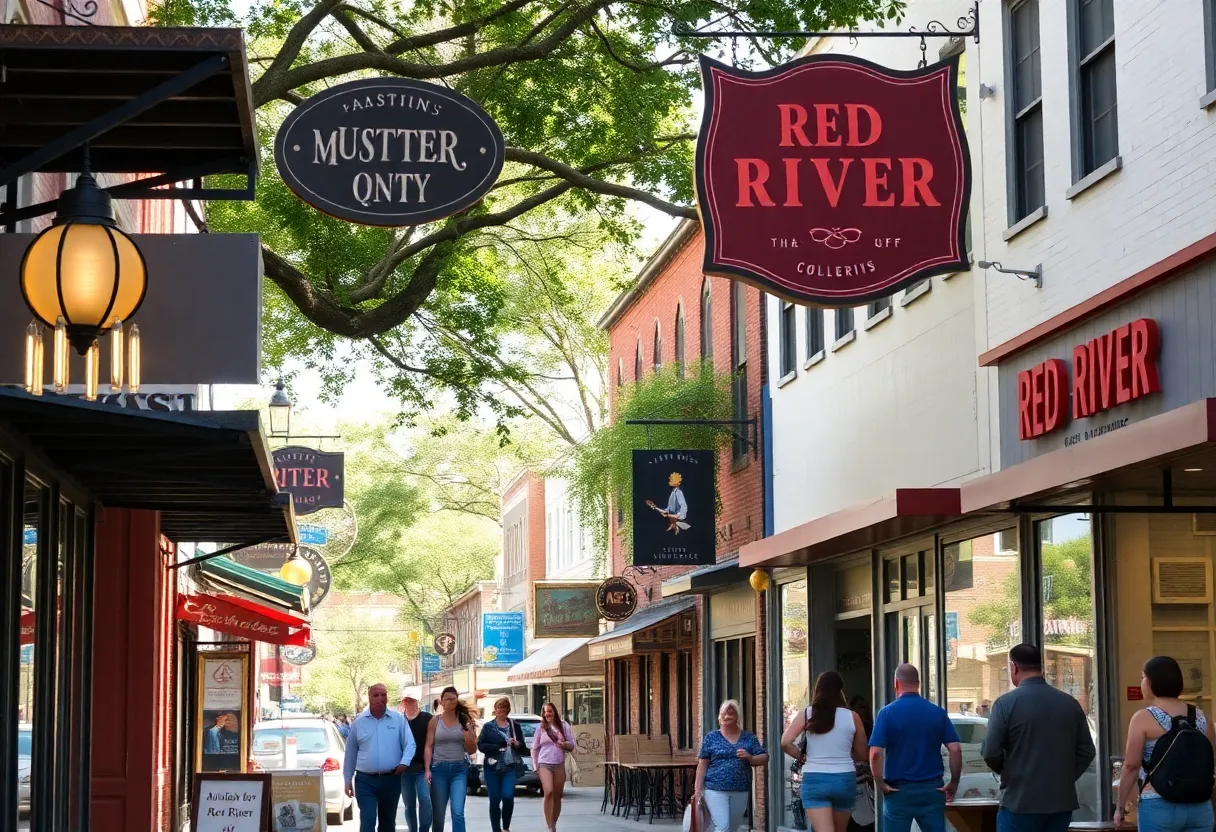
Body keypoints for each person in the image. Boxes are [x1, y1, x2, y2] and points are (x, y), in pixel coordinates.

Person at [980, 643, 1097, 832]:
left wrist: (1011, 773)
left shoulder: (1005, 704)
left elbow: (990, 752)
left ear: (1014, 667)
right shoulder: (1070, 703)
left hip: (1020, 802)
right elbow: (1087, 751)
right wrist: (1064, 776)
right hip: (1060, 802)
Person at [1115, 656, 1216, 832]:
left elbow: (1131, 766)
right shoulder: (1202, 718)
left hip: (1158, 806)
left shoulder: (1143, 718)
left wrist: (1120, 807)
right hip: (1200, 807)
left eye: (1143, 677)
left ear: (1151, 682)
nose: (1141, 683)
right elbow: (1210, 763)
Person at [868, 664, 962, 832]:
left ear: (896, 683)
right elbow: (955, 749)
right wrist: (954, 782)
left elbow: (875, 753)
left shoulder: (887, 713)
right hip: (932, 789)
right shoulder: (937, 712)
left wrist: (880, 783)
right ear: (918, 684)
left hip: (898, 790)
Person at [780, 672, 868, 832]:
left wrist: (801, 756)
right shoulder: (853, 717)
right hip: (844, 779)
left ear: (817, 689)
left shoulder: (807, 714)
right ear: (841, 691)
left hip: (815, 779)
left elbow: (786, 742)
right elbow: (862, 754)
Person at [342, 683, 416, 832]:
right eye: (376, 695)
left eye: (383, 695)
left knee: (387, 823)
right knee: (368, 820)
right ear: (369, 697)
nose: (380, 698)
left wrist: (404, 762)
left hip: (391, 779)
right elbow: (350, 752)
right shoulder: (359, 722)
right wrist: (347, 780)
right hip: (365, 780)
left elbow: (410, 744)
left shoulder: (398, 719)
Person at [695, 699, 768, 832]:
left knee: (732, 828)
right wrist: (698, 791)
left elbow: (764, 757)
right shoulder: (711, 738)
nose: (726, 716)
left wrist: (750, 757)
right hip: (715, 789)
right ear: (719, 717)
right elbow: (702, 766)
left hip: (740, 789)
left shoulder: (748, 737)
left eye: (731, 714)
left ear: (737, 717)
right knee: (723, 827)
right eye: (723, 714)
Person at [425, 686, 477, 832]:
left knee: (458, 811)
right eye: (447, 699)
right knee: (438, 814)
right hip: (439, 770)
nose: (450, 702)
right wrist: (427, 769)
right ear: (441, 701)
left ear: (457, 700)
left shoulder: (464, 720)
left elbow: (472, 750)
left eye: (453, 699)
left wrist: (468, 737)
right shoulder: (435, 721)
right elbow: (428, 746)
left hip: (459, 770)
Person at [478, 696, 527, 832]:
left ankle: (505, 827)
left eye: (504, 709)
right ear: (495, 710)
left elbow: (523, 747)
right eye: (499, 708)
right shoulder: (488, 727)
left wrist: (517, 744)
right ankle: (496, 829)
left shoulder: (514, 726)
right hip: (492, 767)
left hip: (509, 767)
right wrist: (498, 746)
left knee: (508, 796)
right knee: (494, 799)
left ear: (507, 710)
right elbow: (481, 745)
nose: (501, 711)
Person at [532, 702, 576, 832]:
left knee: (557, 795)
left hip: (559, 763)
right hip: (544, 763)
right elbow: (534, 748)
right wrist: (535, 766)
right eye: (545, 712)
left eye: (550, 711)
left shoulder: (563, 726)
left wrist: (564, 744)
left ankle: (553, 823)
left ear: (554, 712)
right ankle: (549, 825)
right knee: (549, 792)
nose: (547, 714)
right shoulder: (541, 728)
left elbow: (572, 745)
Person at [400, 692, 433, 832]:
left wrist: (429, 767)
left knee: (425, 799)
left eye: (411, 700)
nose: (409, 703)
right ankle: (412, 829)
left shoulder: (427, 718)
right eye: (406, 701)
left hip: (422, 768)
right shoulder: (399, 720)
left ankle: (424, 829)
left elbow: (432, 743)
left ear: (417, 702)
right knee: (409, 804)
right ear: (403, 703)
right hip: (404, 769)